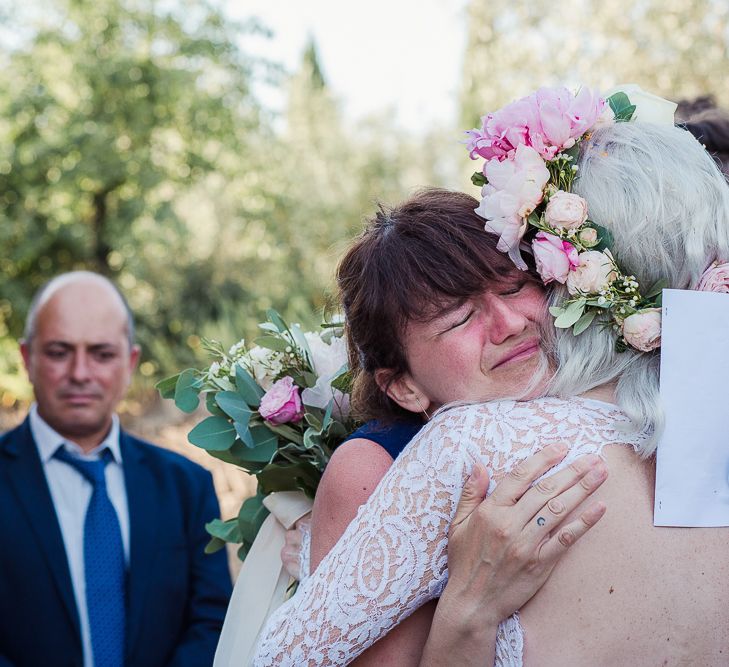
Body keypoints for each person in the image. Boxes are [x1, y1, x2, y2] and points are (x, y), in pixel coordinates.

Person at [252, 94, 729, 666]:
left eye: (513, 288)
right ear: (401, 386)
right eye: (458, 319)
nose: (509, 325)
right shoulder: (385, 464)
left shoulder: (672, 415)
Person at [0, 272, 232, 667]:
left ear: (130, 362)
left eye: (101, 354)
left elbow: (212, 622)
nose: (80, 373)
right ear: (27, 358)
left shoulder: (186, 487)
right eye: (59, 352)